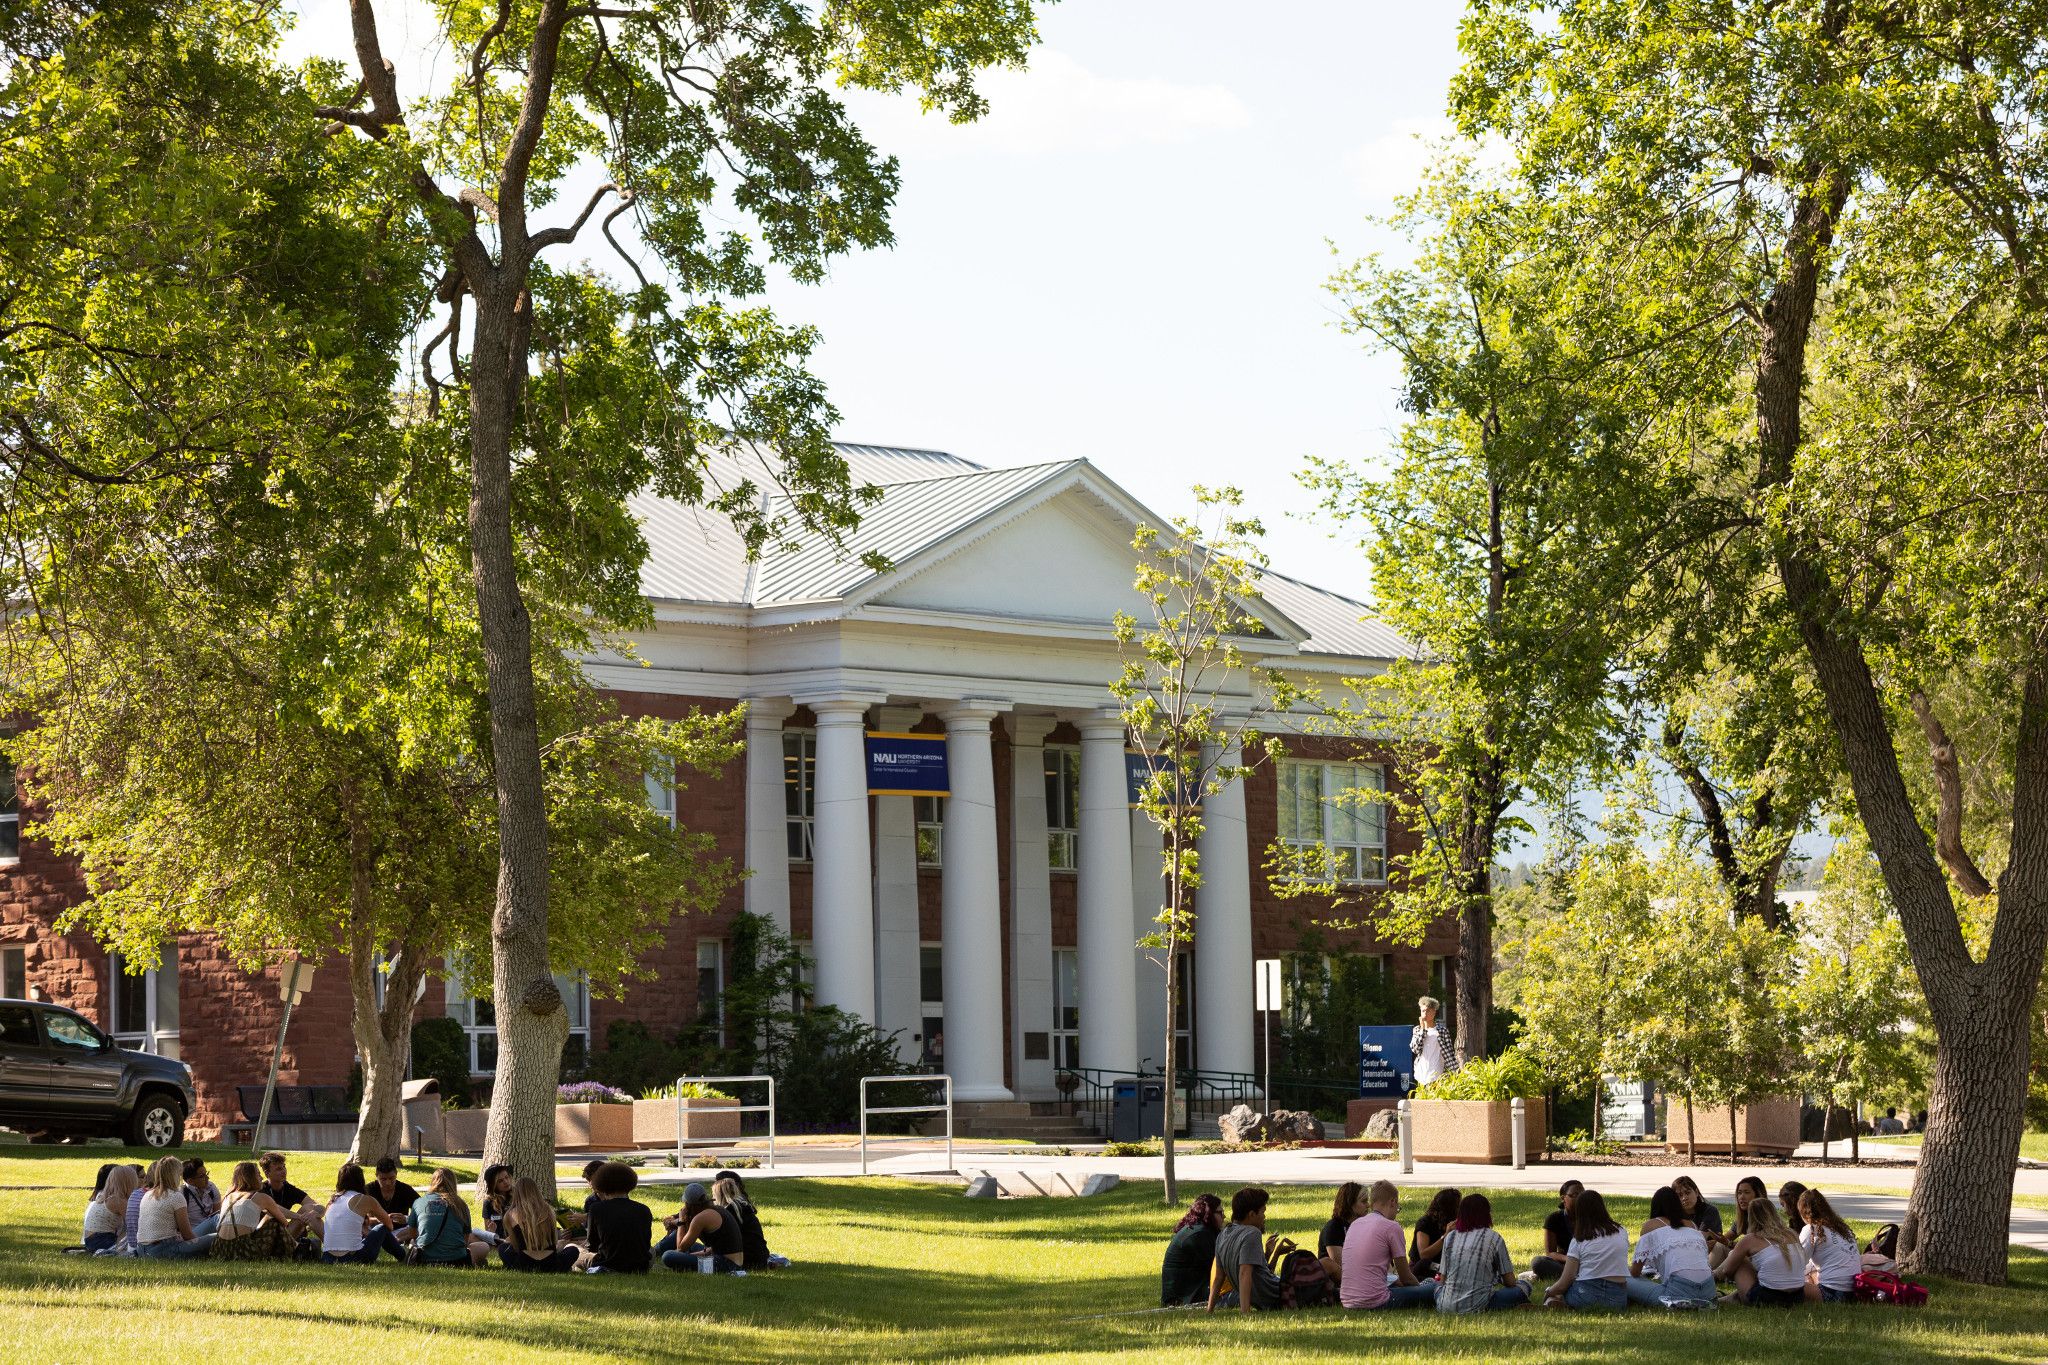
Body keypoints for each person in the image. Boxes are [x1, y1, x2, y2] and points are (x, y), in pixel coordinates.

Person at [1338, 1181, 1436, 1310]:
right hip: (1376, 1301)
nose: (1396, 1211)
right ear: (1393, 1202)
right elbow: (1406, 1277)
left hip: (1348, 1301)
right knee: (1436, 1286)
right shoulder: (1392, 1226)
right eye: (1398, 1208)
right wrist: (1419, 1289)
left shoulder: (1355, 1224)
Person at [1435, 1194, 1529, 1313]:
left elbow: (1442, 1280)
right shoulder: (1494, 1238)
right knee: (1524, 1286)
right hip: (1479, 1305)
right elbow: (1510, 1282)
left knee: (1435, 1286)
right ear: (1487, 1214)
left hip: (1445, 1305)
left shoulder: (1450, 1237)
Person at [1627, 1186, 1718, 1309]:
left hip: (1677, 1294)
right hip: (1709, 1292)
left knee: (1623, 1278)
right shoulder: (1691, 1225)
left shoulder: (1651, 1225)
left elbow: (1635, 1272)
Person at [1544, 1188, 1629, 1310]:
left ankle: (1551, 1303)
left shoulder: (1579, 1239)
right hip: (1618, 1298)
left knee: (1558, 1293)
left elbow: (1564, 1282)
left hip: (1586, 1294)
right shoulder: (1621, 1231)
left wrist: (1549, 1292)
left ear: (1579, 1212)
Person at [1718, 1196, 1811, 1306]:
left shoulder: (1750, 1238)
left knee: (1736, 1256)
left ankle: (1715, 1286)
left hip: (1767, 1298)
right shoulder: (1791, 1233)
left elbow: (1727, 1270)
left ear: (1751, 1217)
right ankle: (1728, 1298)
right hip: (1797, 1297)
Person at [1207, 1186, 1286, 1312]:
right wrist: (1245, 1313)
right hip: (1276, 1295)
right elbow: (1245, 1273)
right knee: (1323, 1265)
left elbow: (1218, 1276)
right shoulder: (1252, 1233)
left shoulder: (1223, 1234)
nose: (1264, 1216)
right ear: (1251, 1214)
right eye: (1262, 1212)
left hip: (1266, 1295)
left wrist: (1209, 1309)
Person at [213, 1160, 310, 1261]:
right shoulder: (260, 1197)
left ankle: (298, 1248)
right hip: (242, 1250)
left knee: (267, 1216)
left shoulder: (227, 1196)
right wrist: (300, 1219)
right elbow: (284, 1222)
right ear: (251, 1178)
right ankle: (299, 1249)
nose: (262, 1177)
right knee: (274, 1221)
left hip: (220, 1248)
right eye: (258, 1174)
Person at [321, 1161, 407, 1264]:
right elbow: (389, 1225)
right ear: (361, 1180)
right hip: (353, 1258)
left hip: (327, 1258)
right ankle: (404, 1257)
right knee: (381, 1228)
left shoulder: (332, 1200)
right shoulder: (366, 1200)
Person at [579, 1160, 653, 1273]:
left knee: (574, 1250)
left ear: (601, 1184)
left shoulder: (597, 1209)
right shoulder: (644, 1210)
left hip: (607, 1263)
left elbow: (592, 1245)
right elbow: (645, 1243)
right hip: (640, 1266)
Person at [135, 1156, 215, 1259]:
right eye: (180, 1174)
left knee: (214, 1221)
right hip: (164, 1249)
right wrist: (199, 1243)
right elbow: (187, 1235)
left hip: (142, 1249)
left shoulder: (148, 1194)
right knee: (218, 1237)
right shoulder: (175, 1196)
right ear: (175, 1175)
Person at [661, 1180, 746, 1273]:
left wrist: (681, 1221)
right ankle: (656, 1250)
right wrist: (700, 1253)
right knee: (681, 1241)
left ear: (689, 1204)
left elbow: (681, 1248)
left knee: (668, 1256)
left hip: (725, 1265)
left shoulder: (700, 1218)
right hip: (726, 1259)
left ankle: (652, 1252)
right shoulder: (717, 1209)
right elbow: (721, 1245)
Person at [408, 1168, 486, 1267]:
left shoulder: (419, 1202)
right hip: (457, 1260)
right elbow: (466, 1239)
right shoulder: (461, 1204)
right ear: (453, 1183)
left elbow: (412, 1233)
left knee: (412, 1242)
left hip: (424, 1258)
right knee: (484, 1246)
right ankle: (476, 1262)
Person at [500, 1176, 579, 1272]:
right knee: (572, 1250)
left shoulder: (510, 1214)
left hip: (524, 1263)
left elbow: (515, 1245)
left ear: (517, 1193)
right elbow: (552, 1241)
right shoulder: (548, 1210)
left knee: (503, 1248)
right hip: (551, 1262)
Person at [1797, 1188, 1861, 1303]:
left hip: (1832, 1292)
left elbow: (1798, 1262)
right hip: (1854, 1291)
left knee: (1788, 1284)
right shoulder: (1843, 1228)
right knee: (1811, 1272)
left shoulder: (1811, 1229)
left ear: (1803, 1212)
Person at [1162, 1193, 1225, 1306]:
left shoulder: (1200, 1229)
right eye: (1220, 1213)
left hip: (1187, 1291)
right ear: (1209, 1214)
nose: (1224, 1216)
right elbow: (1220, 1269)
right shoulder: (1200, 1234)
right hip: (1182, 1298)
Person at [713, 1169, 778, 1269]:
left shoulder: (732, 1210)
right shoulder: (742, 1206)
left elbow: (727, 1242)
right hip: (758, 1257)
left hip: (746, 1259)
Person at [1708, 1176, 1767, 1278]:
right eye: (1739, 1193)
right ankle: (1704, 1271)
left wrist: (1728, 1243)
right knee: (1719, 1246)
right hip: (1747, 1257)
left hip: (1761, 1262)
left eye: (1746, 1192)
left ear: (1758, 1195)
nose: (1741, 1197)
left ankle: (1713, 1277)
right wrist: (1716, 1241)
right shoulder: (1744, 1216)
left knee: (1733, 1252)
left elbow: (1753, 1250)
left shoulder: (1765, 1218)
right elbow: (1727, 1238)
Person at [260, 1152, 325, 1242]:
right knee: (305, 1213)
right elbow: (274, 1209)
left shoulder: (288, 1189)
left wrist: (316, 1212)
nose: (284, 1171)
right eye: (278, 1169)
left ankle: (331, 1247)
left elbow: (316, 1205)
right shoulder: (261, 1190)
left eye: (284, 1167)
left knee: (308, 1209)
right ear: (267, 1173)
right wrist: (299, 1216)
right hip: (265, 1237)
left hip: (285, 1235)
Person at [1532, 1180, 1582, 1279]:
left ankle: (1573, 1275)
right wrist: (1570, 1259)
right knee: (1538, 1262)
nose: (1580, 1198)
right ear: (1563, 1198)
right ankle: (1574, 1274)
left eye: (1582, 1194)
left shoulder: (1591, 1217)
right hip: (1566, 1262)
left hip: (1589, 1260)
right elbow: (1550, 1253)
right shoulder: (1554, 1219)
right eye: (1575, 1195)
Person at [1409, 1187, 1461, 1279]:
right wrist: (1446, 1236)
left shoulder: (1453, 1223)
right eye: (1458, 1207)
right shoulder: (1425, 1223)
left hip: (1441, 1267)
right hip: (1423, 1268)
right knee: (1427, 1264)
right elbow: (1424, 1255)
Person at [84, 1165, 137, 1254]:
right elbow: (133, 1224)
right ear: (129, 1182)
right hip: (102, 1240)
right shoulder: (118, 1201)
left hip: (91, 1240)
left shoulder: (105, 1196)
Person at [1410, 996, 1458, 1088]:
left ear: (1434, 1012)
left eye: (1428, 1011)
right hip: (1421, 1073)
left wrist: (1454, 1070)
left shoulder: (1442, 1031)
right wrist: (1423, 1029)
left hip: (1437, 1073)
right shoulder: (1417, 1030)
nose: (1425, 1013)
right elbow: (1415, 1049)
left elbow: (1450, 1052)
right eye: (1423, 1011)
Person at [1319, 1182, 1366, 1259]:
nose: (1368, 1205)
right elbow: (1341, 1263)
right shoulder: (1333, 1228)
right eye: (1364, 1201)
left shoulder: (1362, 1225)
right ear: (1350, 1203)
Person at [368, 1157, 420, 1223]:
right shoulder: (368, 1190)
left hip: (400, 1230)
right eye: (383, 1179)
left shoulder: (405, 1190)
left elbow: (424, 1211)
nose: (388, 1183)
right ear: (376, 1176)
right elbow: (357, 1218)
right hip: (373, 1230)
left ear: (396, 1174)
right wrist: (378, 1220)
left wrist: (406, 1219)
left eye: (391, 1178)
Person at [1672, 1175, 1723, 1241]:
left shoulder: (1710, 1211)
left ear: (1696, 1192)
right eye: (1680, 1195)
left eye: (1687, 1193)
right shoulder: (1674, 1214)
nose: (1684, 1198)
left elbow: (1700, 1238)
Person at [181, 1158, 222, 1237]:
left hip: (210, 1228)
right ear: (190, 1181)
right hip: (192, 1234)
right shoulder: (182, 1193)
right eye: (202, 1176)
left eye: (207, 1174)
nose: (207, 1178)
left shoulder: (211, 1187)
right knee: (218, 1219)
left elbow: (217, 1210)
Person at [480, 1163, 515, 1235]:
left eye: (506, 1177)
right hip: (499, 1242)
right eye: (500, 1181)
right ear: (494, 1185)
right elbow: (488, 1231)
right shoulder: (488, 1202)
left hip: (518, 1240)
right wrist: (491, 1230)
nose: (505, 1182)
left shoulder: (518, 1197)